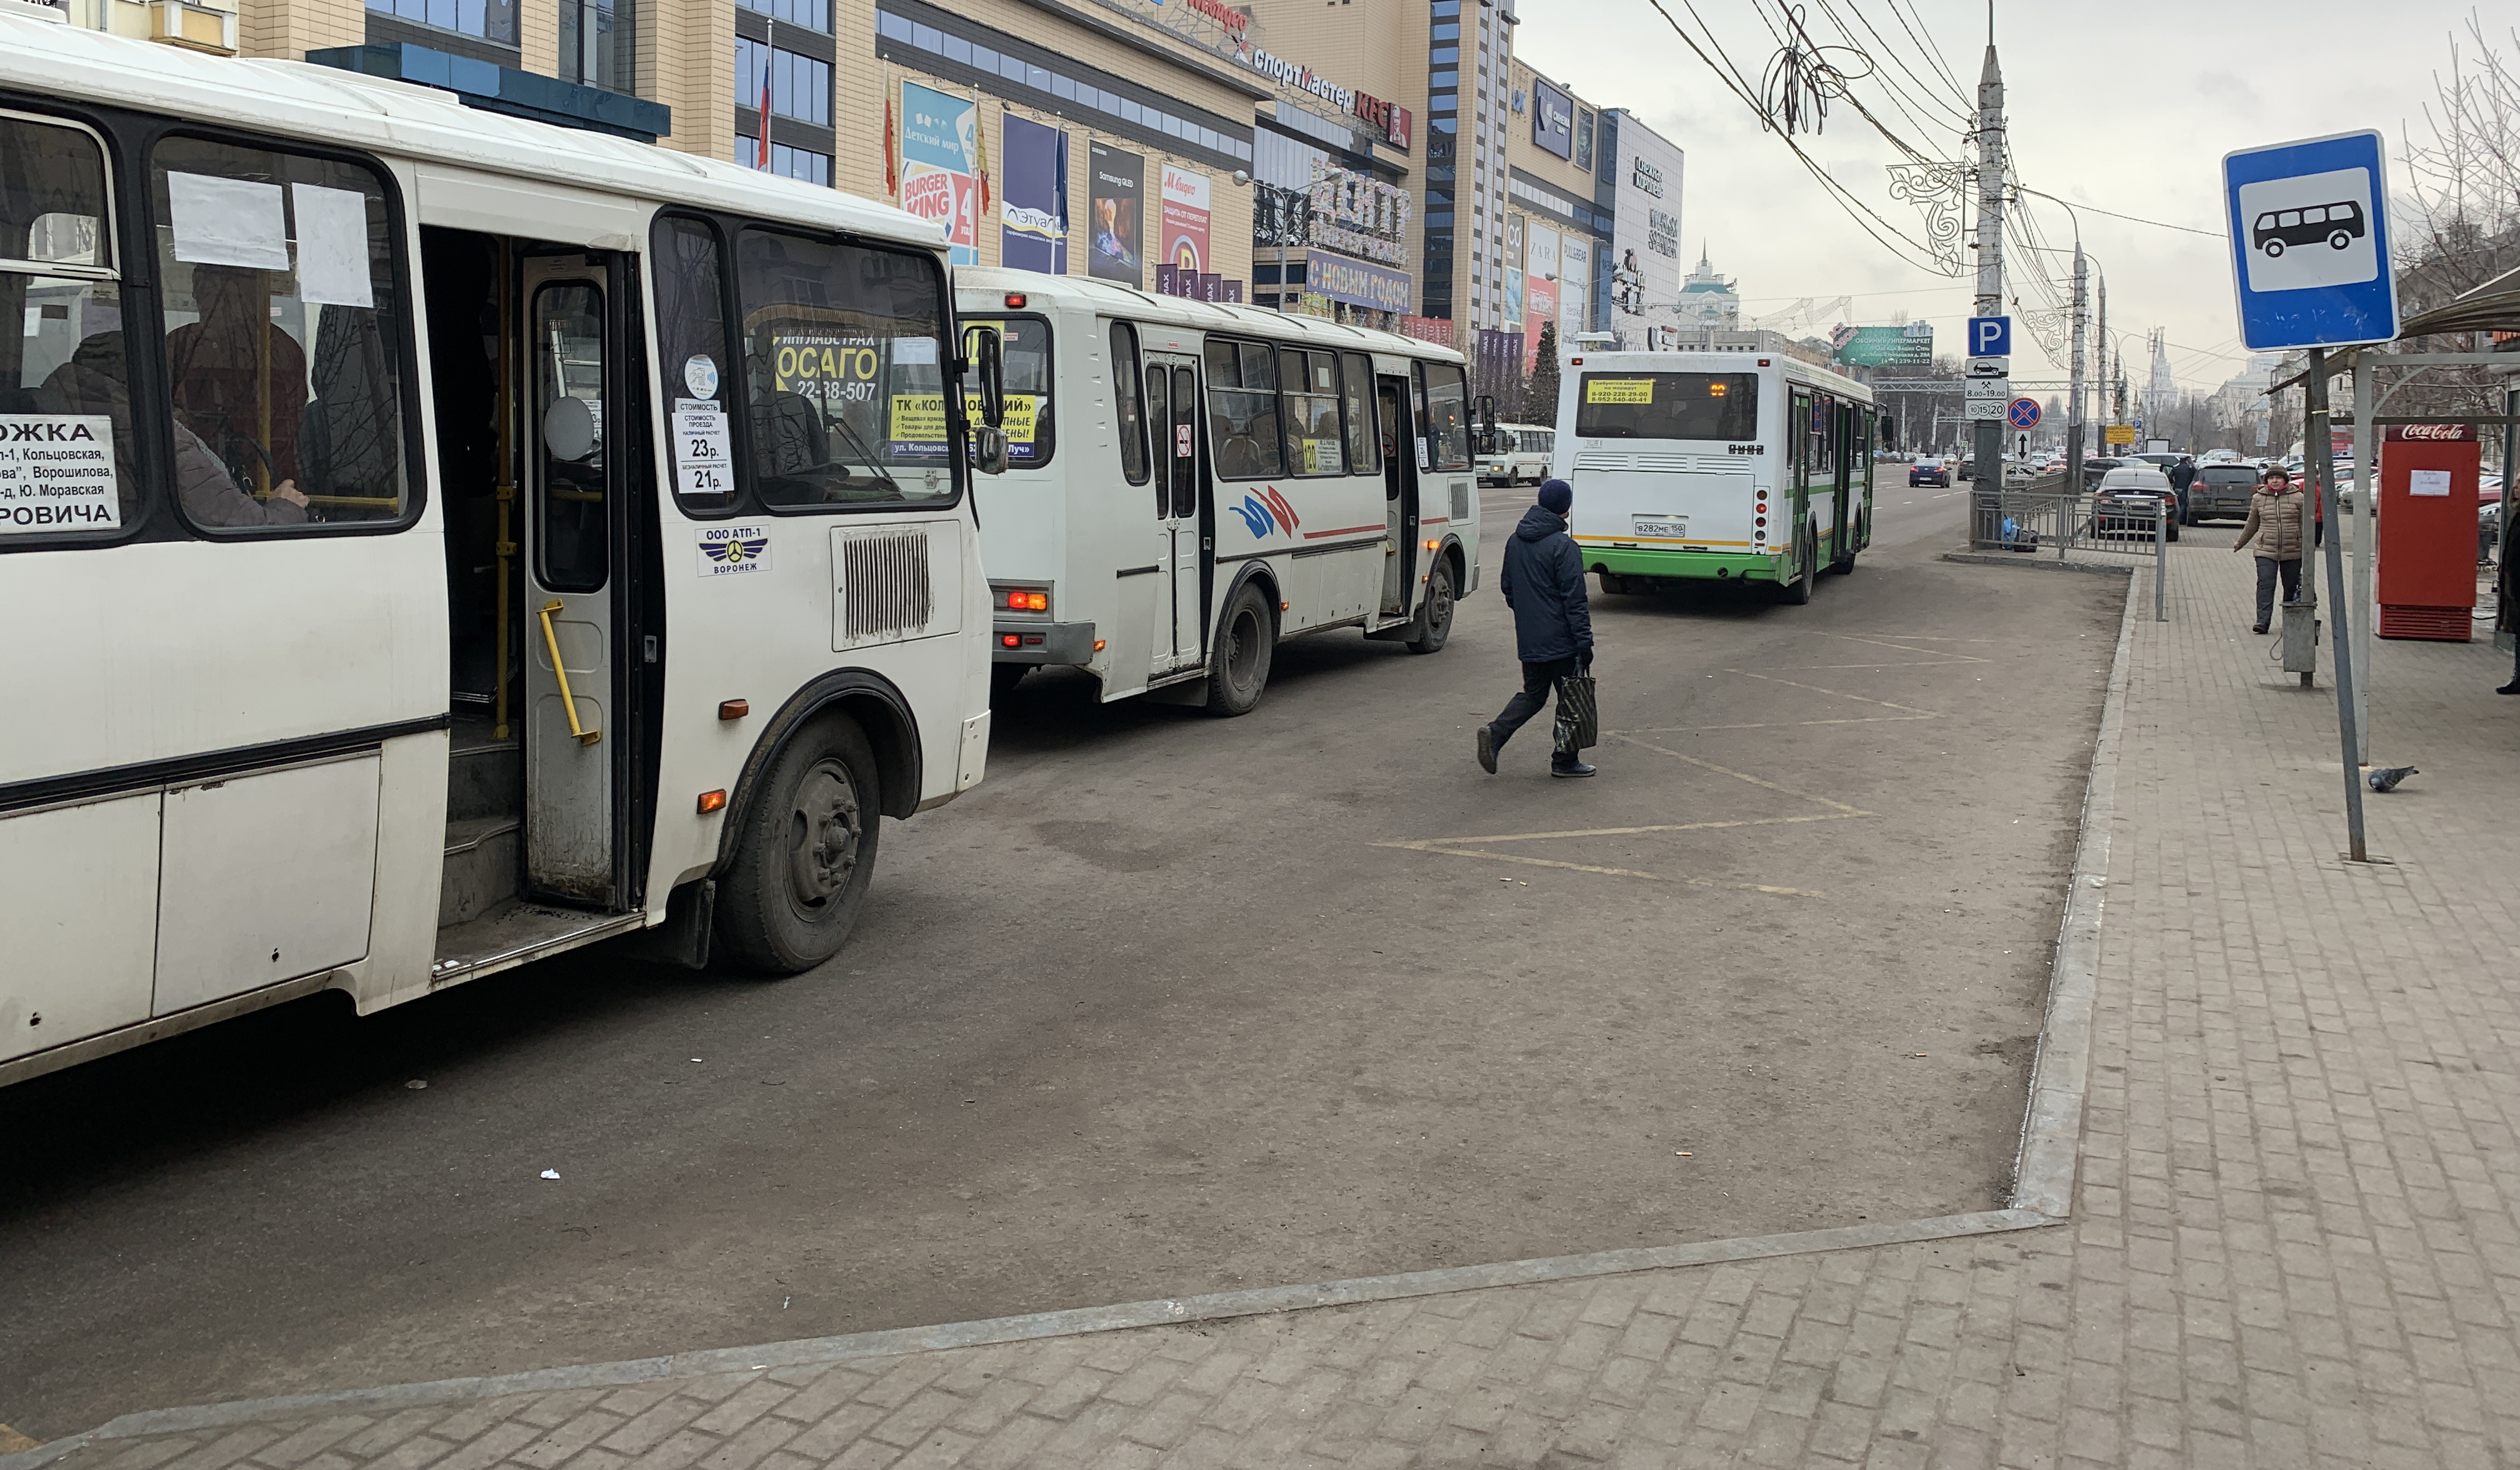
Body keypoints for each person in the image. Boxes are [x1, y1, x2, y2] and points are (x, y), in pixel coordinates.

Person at [1479, 478, 1596, 778]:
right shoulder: (1564, 546)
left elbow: (1508, 588)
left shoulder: (1515, 541)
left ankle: (1495, 733)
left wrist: (1530, 617)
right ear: (1565, 510)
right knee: (1571, 699)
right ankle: (1565, 761)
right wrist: (1584, 642)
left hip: (1530, 639)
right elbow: (1575, 599)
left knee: (1533, 694)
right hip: (1562, 641)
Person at [2231, 465, 2306, 635]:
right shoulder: (2259, 498)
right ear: (2266, 481)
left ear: (2285, 480)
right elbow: (2252, 523)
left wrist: (2307, 546)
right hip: (2266, 549)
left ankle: (2290, 621)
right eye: (2271, 478)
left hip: (2293, 549)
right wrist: (2240, 543)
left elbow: (2306, 525)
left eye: (2278, 478)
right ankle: (2262, 622)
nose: (2275, 481)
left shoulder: (2299, 498)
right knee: (2265, 584)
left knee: (2291, 586)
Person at [2168, 454, 2197, 522]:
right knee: (2184, 504)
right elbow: (2196, 474)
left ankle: (2176, 518)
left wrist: (2173, 483)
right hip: (2185, 489)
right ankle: (2181, 519)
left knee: (2177, 504)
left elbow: (2169, 477)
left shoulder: (2176, 468)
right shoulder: (2190, 469)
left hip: (2177, 488)